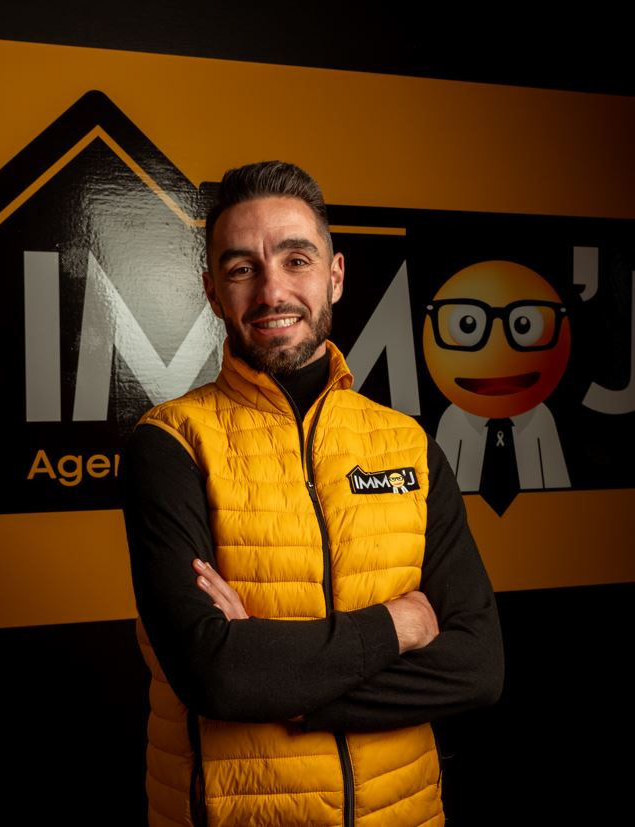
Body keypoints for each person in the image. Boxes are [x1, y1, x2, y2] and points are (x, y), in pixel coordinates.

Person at [120, 161, 504, 827]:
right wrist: (401, 625)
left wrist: (285, 685)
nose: (272, 290)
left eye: (296, 260)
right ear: (212, 292)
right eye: (242, 268)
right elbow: (218, 675)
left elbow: (477, 667)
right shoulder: (170, 443)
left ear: (335, 275)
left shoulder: (408, 446)